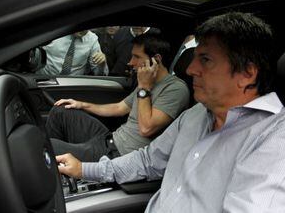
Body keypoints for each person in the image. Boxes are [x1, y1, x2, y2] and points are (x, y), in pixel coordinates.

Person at [56, 12, 285, 212]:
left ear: (247, 73)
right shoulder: (197, 115)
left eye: (206, 60)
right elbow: (147, 160)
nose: (190, 69)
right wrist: (86, 169)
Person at [46, 34, 190, 162]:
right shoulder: (148, 81)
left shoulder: (175, 89)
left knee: (47, 146)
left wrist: (144, 87)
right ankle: (63, 170)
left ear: (156, 60)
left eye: (137, 57)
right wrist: (81, 105)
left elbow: (146, 128)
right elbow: (119, 107)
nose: (130, 62)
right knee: (60, 111)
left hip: (118, 155)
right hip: (110, 139)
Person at [37, 30, 108, 76]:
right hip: (45, 79)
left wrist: (102, 63)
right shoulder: (54, 31)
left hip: (72, 84)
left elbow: (98, 73)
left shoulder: (92, 39)